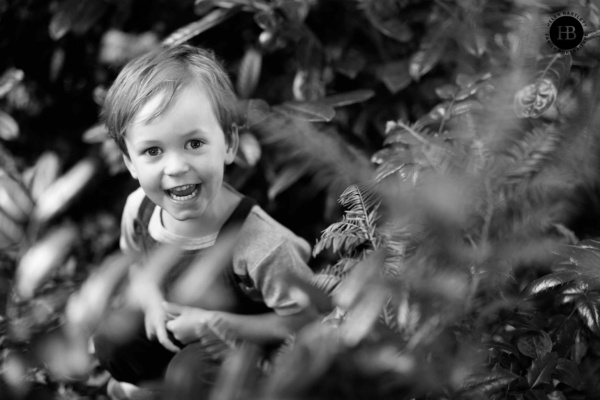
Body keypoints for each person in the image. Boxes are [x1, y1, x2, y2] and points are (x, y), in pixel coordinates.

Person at [93, 44, 316, 400]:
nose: (177, 167)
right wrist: (150, 298)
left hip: (240, 353)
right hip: (176, 331)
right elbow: (137, 263)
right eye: (153, 151)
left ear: (228, 143)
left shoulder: (262, 244)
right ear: (130, 163)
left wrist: (215, 326)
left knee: (192, 373)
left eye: (194, 143)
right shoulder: (140, 211)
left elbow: (305, 321)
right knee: (111, 339)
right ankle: (156, 387)